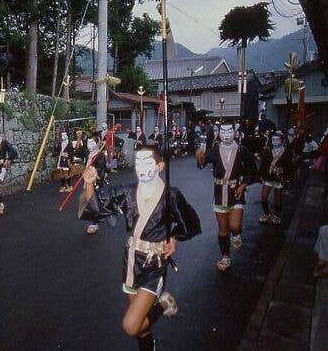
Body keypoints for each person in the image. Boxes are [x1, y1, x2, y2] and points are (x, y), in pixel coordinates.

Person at [78, 146, 201, 350]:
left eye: (147, 162)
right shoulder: (127, 192)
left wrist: (175, 238)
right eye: (138, 163)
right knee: (142, 326)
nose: (141, 167)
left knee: (131, 325)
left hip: (155, 263)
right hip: (132, 261)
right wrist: (89, 184)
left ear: (160, 166)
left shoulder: (171, 195)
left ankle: (164, 304)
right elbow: (97, 209)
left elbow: (190, 222)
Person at [196, 122, 257, 271]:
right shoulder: (215, 149)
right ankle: (225, 257)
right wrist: (200, 157)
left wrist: (243, 185)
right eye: (223, 131)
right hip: (219, 192)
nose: (226, 134)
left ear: (235, 132)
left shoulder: (242, 150)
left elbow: (252, 171)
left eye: (230, 131)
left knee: (235, 226)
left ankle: (236, 235)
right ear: (219, 133)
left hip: (236, 190)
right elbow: (203, 163)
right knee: (223, 228)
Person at [258, 131, 294, 225]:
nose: (275, 142)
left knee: (278, 198)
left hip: (279, 177)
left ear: (282, 141)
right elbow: (263, 164)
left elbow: (290, 166)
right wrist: (261, 175)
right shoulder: (268, 150)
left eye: (277, 140)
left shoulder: (286, 151)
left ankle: (277, 216)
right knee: (263, 197)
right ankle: (266, 214)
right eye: (273, 140)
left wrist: (285, 176)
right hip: (268, 176)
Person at [84, 136, 107, 234]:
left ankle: (94, 223)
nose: (89, 145)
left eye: (91, 143)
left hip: (94, 181)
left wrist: (95, 179)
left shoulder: (99, 155)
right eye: (88, 143)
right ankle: (100, 215)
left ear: (97, 143)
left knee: (93, 201)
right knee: (90, 200)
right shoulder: (88, 154)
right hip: (88, 180)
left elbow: (101, 169)